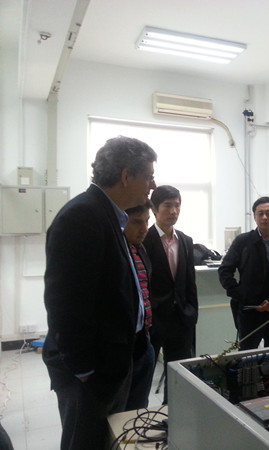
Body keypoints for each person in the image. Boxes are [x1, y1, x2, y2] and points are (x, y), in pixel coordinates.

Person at [43, 136, 157, 449]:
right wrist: (84, 370)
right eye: (148, 176)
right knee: (86, 442)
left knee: (109, 440)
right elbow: (66, 302)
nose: (153, 184)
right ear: (126, 176)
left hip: (114, 359)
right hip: (90, 371)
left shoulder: (109, 215)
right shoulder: (82, 216)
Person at [143, 185, 198, 404]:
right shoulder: (143, 240)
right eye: (168, 206)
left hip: (181, 318)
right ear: (154, 209)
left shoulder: (185, 241)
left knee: (178, 376)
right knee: (144, 374)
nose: (174, 211)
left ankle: (173, 414)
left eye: (177, 205)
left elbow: (189, 282)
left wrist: (192, 313)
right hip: (153, 319)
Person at [218, 196, 269, 350]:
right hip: (249, 309)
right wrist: (241, 294)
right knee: (247, 353)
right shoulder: (243, 241)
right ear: (254, 216)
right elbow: (225, 270)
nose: (264, 217)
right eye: (260, 213)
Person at [123, 200, 155, 411]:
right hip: (120, 346)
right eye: (136, 222)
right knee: (118, 413)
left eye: (146, 221)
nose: (144, 229)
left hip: (143, 340)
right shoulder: (115, 251)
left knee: (138, 410)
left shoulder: (139, 248)